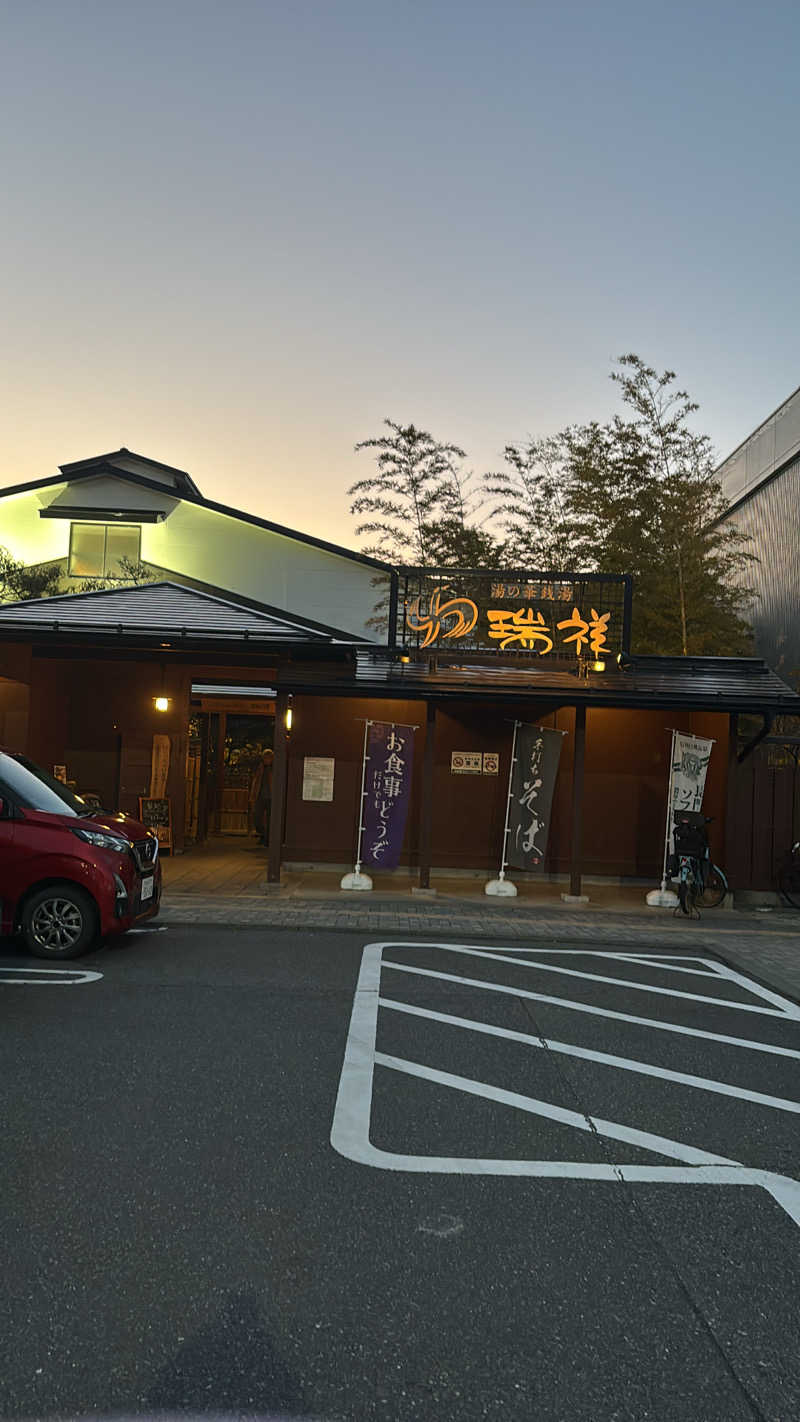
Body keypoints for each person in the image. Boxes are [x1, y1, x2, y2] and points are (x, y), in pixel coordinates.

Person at [250, 748, 274, 847]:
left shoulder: (274, 769)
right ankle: (263, 835)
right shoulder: (260, 768)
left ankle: (267, 838)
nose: (267, 760)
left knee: (270, 819)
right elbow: (255, 782)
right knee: (257, 817)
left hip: (271, 797)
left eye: (269, 758)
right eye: (265, 758)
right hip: (260, 796)